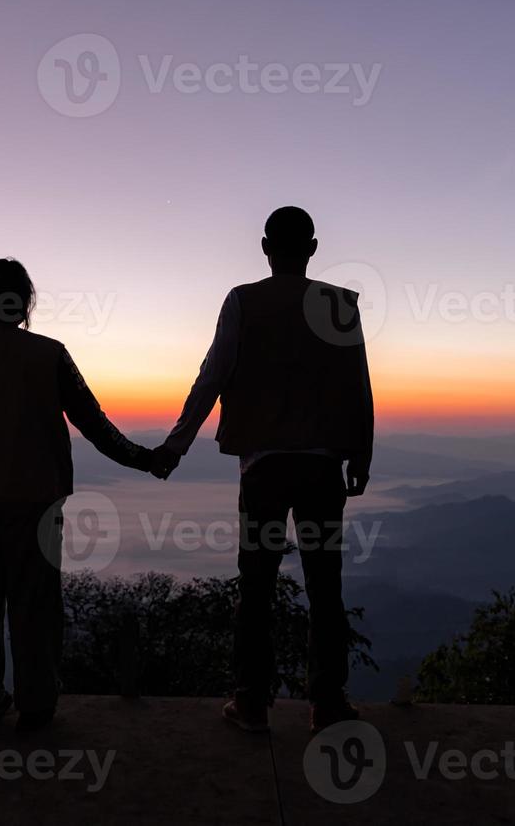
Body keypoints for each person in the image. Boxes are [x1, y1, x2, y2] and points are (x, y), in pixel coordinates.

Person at [150, 207, 374, 733]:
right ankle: (327, 701)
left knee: (255, 585)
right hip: (322, 468)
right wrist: (361, 453)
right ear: (313, 247)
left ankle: (251, 701)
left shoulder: (244, 301)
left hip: (264, 469)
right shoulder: (339, 305)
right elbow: (356, 385)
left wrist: (176, 445)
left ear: (265, 247)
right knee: (325, 583)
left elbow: (213, 374)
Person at [0, 258, 155, 732]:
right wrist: (145, 459)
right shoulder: (50, 354)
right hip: (36, 499)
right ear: (27, 300)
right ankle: (36, 704)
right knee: (35, 603)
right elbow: (92, 422)